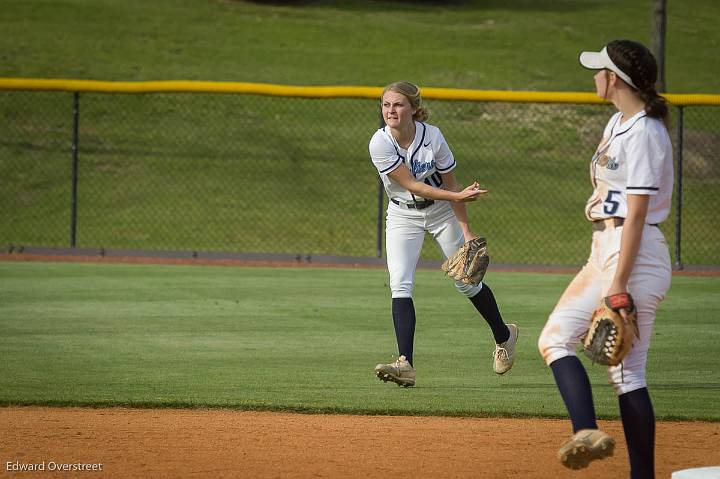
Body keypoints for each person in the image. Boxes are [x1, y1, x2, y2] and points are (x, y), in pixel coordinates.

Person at [538, 40, 673, 477]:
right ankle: (586, 433)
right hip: (604, 249)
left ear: (614, 78)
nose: (594, 76)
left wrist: (618, 284)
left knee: (627, 375)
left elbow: (635, 215)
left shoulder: (648, 133)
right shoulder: (618, 123)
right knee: (555, 340)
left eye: (599, 69)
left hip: (635, 255)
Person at [368, 81, 519, 388]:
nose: (391, 111)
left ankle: (504, 335)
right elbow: (412, 185)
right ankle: (405, 364)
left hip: (440, 211)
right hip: (401, 214)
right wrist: (458, 197)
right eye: (386, 105)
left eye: (398, 104)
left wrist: (466, 231)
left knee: (466, 283)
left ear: (412, 108)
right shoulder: (380, 143)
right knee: (400, 283)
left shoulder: (432, 136)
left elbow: (451, 186)